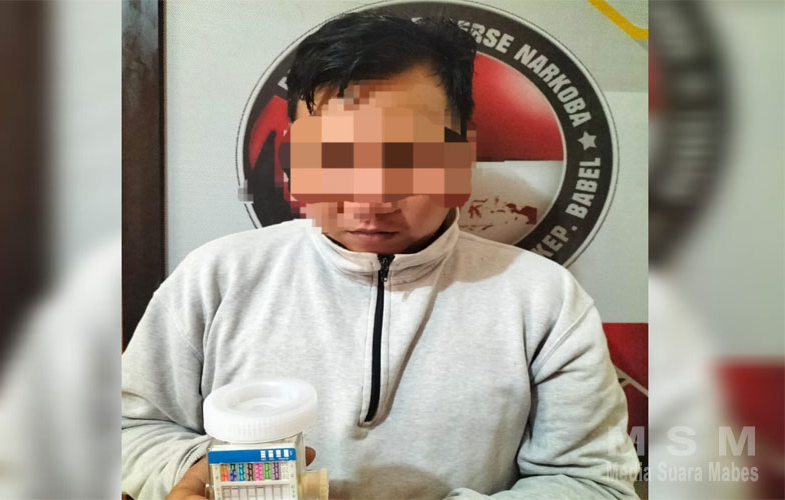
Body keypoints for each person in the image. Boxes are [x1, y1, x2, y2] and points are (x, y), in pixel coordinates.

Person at [122, 12, 640, 500]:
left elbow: (593, 481)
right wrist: (206, 473)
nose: (370, 197)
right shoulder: (217, 277)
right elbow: (128, 429)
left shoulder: (543, 299)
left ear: (463, 157)